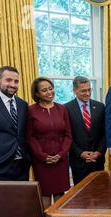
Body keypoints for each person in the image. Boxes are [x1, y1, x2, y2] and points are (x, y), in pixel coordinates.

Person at [27, 77, 72, 209]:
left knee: (60, 196)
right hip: (41, 161)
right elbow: (30, 137)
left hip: (61, 159)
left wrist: (61, 154)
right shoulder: (31, 110)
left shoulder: (62, 109)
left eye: (51, 88)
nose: (49, 92)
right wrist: (43, 156)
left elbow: (68, 135)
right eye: (44, 90)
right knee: (45, 196)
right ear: (37, 94)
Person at [65, 76, 106, 185]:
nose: (87, 93)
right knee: (80, 196)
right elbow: (67, 136)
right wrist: (80, 153)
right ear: (75, 90)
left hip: (97, 161)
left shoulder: (100, 107)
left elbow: (105, 134)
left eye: (89, 90)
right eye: (83, 90)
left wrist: (98, 152)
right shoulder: (66, 109)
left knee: (100, 193)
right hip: (78, 162)